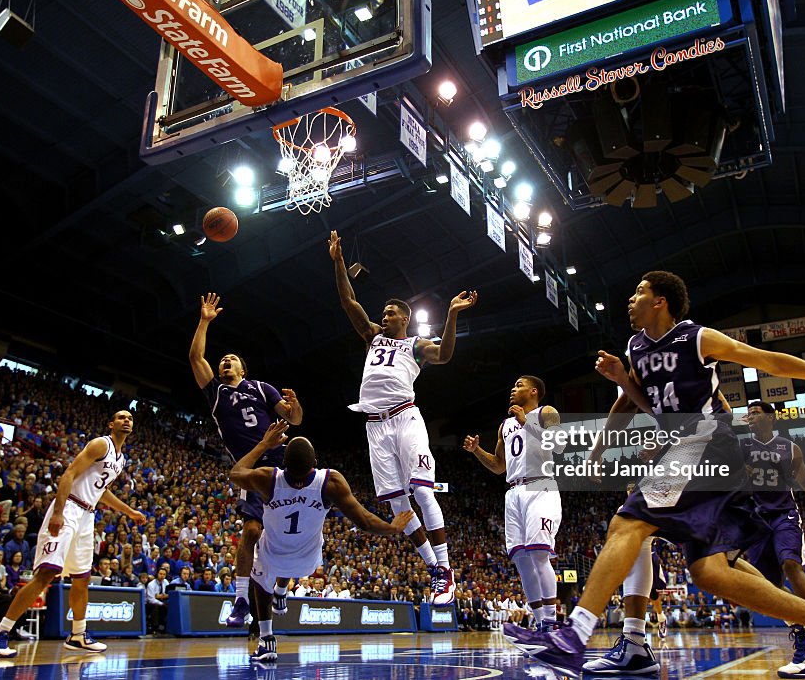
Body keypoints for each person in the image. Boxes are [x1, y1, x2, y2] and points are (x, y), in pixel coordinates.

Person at [510, 271, 805, 680]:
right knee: (710, 573)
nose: (630, 299)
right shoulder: (636, 347)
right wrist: (605, 433)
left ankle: (574, 634)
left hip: (708, 445)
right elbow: (635, 404)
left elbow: (771, 361)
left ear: (660, 301)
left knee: (627, 524)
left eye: (639, 292)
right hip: (692, 451)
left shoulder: (697, 338)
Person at [329, 229, 476, 605]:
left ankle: (446, 568)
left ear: (405, 319)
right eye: (384, 312)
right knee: (398, 507)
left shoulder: (416, 344)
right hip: (374, 426)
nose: (384, 314)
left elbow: (444, 355)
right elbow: (348, 301)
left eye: (391, 312)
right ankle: (434, 569)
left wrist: (453, 315)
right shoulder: (372, 337)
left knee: (423, 490)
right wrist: (338, 262)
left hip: (405, 417)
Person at [229, 420, 413, 661]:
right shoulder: (330, 481)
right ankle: (282, 590)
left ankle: (266, 640)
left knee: (261, 575)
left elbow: (236, 473)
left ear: (283, 463)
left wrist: (264, 444)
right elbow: (365, 522)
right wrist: (393, 528)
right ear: (315, 464)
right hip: (307, 562)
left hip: (274, 558)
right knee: (293, 549)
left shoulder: (268, 478)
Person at [0, 411, 146, 659]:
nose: (127, 420)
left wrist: (129, 511)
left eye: (130, 418)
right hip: (69, 507)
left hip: (87, 516)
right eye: (121, 417)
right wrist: (58, 512)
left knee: (82, 578)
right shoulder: (101, 444)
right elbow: (69, 474)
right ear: (111, 423)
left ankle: (78, 635)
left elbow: (100, 491)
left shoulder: (121, 459)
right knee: (46, 574)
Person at [189, 292, 303, 627]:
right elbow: (196, 358)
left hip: (282, 464)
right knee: (251, 530)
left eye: (231, 359)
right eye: (222, 359)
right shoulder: (216, 393)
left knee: (288, 535)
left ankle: (282, 587)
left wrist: (294, 405)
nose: (225, 361)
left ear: (243, 368)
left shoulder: (261, 388)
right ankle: (240, 599)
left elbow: (294, 420)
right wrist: (204, 321)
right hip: (251, 471)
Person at [740, 400, 805, 677]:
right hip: (756, 520)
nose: (750, 417)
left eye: (756, 413)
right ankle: (803, 629)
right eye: (748, 413)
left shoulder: (789, 447)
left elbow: (804, 478)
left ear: (771, 418)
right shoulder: (742, 448)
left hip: (784, 514)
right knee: (769, 586)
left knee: (790, 564)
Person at [463, 375, 562, 630]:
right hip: (514, 491)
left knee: (539, 553)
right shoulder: (505, 425)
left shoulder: (545, 412)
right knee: (522, 559)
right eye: (513, 385)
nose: (512, 389)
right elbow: (498, 466)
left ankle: (551, 621)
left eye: (518, 385)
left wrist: (526, 422)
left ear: (533, 392)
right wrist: (477, 451)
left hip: (540, 485)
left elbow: (559, 446)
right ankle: (540, 623)